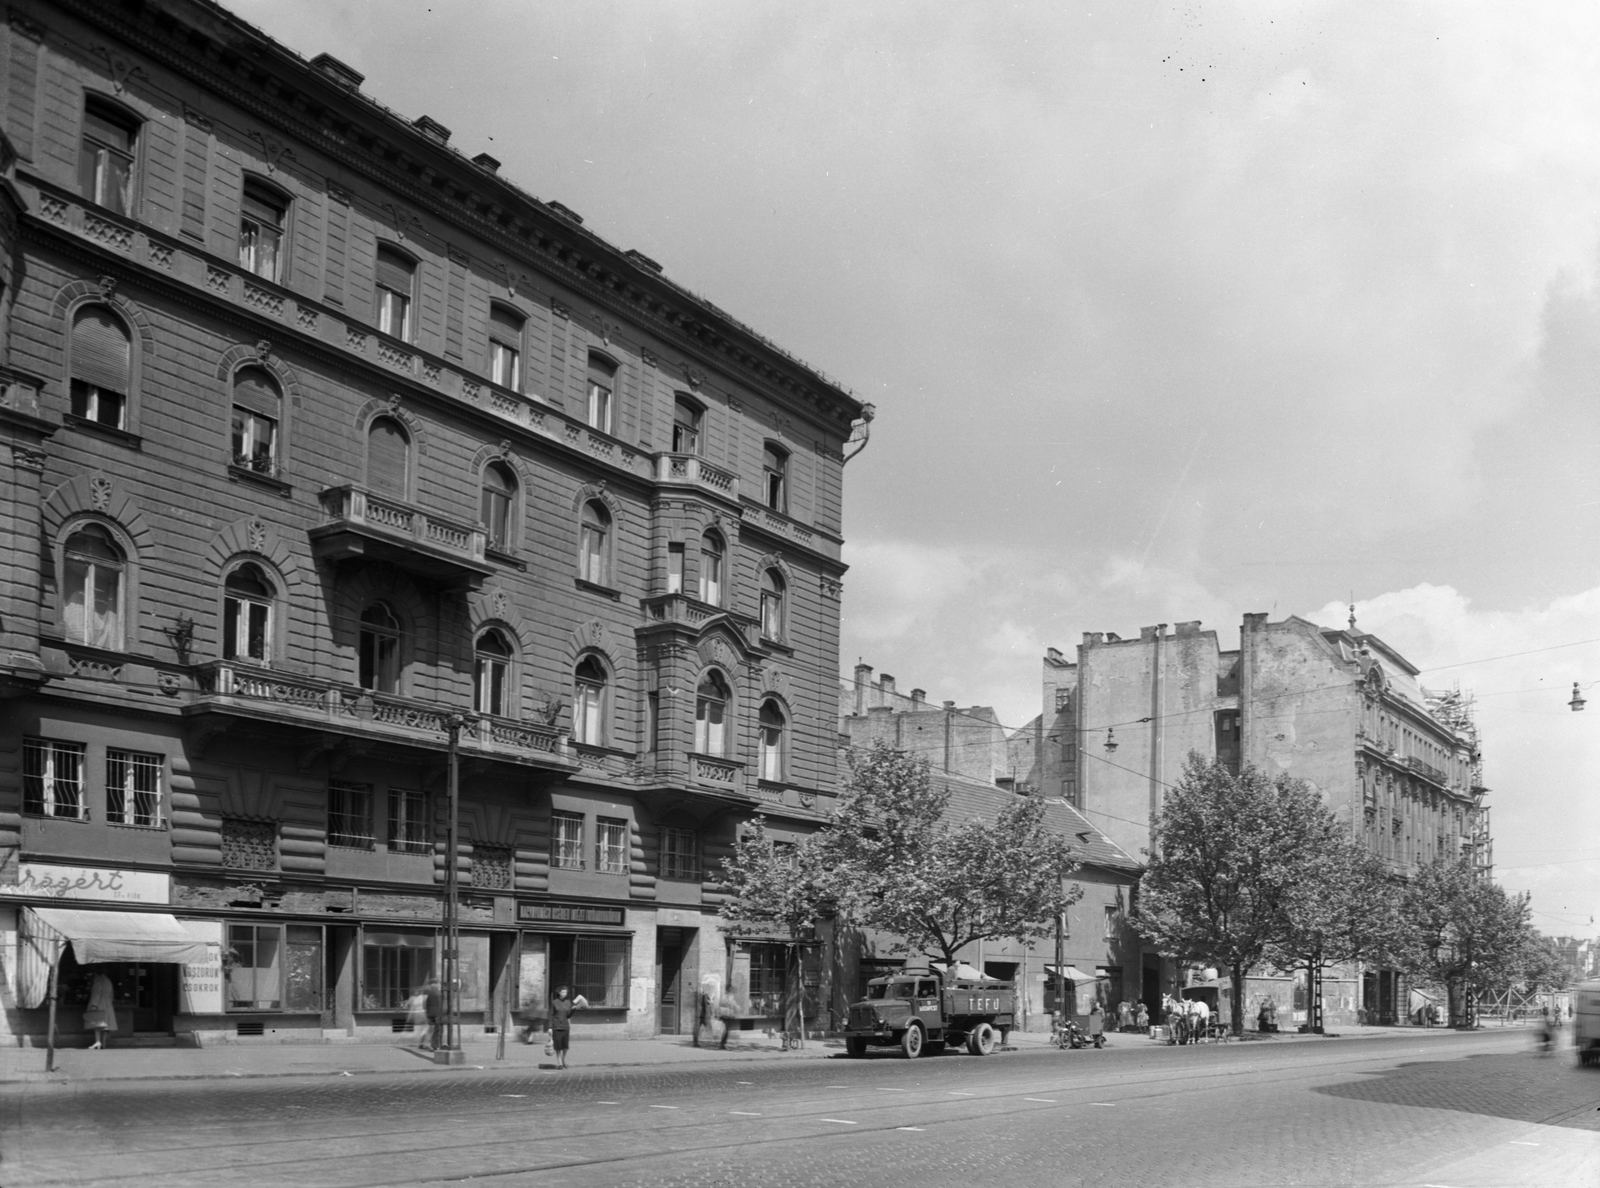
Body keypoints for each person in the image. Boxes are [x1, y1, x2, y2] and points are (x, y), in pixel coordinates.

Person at [549, 984, 589, 1069]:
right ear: (559, 993)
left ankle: (563, 1060)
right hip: (556, 1026)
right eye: (563, 992)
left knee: (565, 1046)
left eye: (566, 992)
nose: (564, 994)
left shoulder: (568, 1002)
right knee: (558, 1047)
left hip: (565, 1026)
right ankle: (559, 1063)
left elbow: (568, 1015)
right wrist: (550, 1027)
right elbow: (551, 1015)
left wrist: (573, 1009)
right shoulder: (554, 1002)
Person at [84, 973, 117, 1050]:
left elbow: (96, 993)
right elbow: (111, 995)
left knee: (97, 1022)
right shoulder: (108, 981)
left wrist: (94, 1005)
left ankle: (98, 1041)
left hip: (99, 1003)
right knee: (105, 1024)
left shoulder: (98, 981)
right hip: (108, 1004)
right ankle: (104, 1042)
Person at [420, 977, 443, 1052]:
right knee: (437, 1030)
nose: (438, 984)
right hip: (437, 1013)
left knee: (429, 1028)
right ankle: (434, 1046)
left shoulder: (427, 991)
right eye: (437, 983)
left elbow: (424, 1002)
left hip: (429, 1012)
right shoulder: (439, 991)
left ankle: (423, 1043)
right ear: (435, 983)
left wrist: (425, 1010)